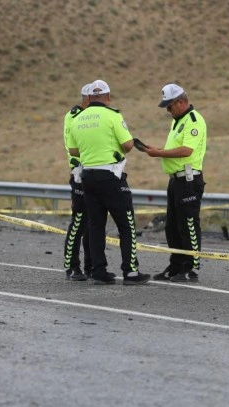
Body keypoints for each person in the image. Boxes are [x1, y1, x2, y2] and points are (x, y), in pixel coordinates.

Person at [66, 79, 150, 285]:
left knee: (95, 226)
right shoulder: (113, 116)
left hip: (88, 177)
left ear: (89, 98)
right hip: (111, 177)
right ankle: (130, 272)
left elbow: (73, 150)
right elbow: (128, 145)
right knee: (126, 224)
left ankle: (98, 271)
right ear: (107, 97)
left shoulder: (77, 119)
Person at [141, 84, 207, 282]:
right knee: (172, 226)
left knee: (188, 224)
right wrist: (159, 149)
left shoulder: (193, 121)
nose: (168, 111)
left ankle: (190, 267)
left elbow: (187, 150)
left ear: (180, 102)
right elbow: (175, 149)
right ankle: (176, 264)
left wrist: (159, 153)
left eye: (169, 107)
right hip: (175, 180)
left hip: (188, 180)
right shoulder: (177, 121)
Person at [61, 83, 93, 281]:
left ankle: (91, 265)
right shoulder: (73, 116)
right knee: (79, 221)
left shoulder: (94, 116)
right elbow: (73, 147)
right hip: (80, 172)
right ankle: (72, 265)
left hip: (96, 172)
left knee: (94, 222)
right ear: (87, 99)